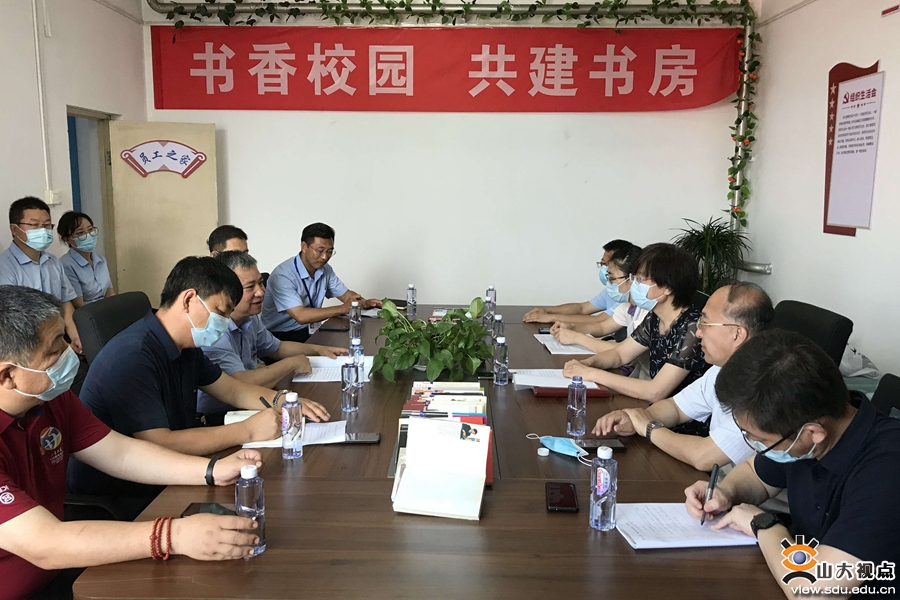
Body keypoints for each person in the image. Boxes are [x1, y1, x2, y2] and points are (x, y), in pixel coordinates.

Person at [0, 286, 267, 600]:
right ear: (7, 376)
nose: (70, 353)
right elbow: (45, 543)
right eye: (54, 351)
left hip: (64, 573)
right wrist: (174, 536)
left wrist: (211, 470)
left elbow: (119, 452)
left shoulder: (51, 399)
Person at [70, 257, 330, 511]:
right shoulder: (133, 355)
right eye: (221, 313)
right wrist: (248, 430)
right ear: (189, 300)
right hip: (125, 496)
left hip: (174, 470)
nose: (225, 324)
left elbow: (232, 389)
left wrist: (282, 400)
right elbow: (160, 443)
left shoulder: (186, 345)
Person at [684, 330, 900, 599]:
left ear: (813, 433)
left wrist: (765, 525)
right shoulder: (805, 425)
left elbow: (813, 591)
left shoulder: (887, 471)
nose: (754, 445)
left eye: (760, 440)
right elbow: (755, 474)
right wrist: (725, 492)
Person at [594, 283, 774, 471]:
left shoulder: (763, 386)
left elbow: (704, 456)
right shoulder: (721, 369)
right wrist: (636, 417)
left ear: (737, 334)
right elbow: (676, 408)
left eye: (705, 323)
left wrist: (648, 427)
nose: (698, 332)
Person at [198, 251, 347, 423]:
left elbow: (276, 348)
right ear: (227, 291)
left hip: (250, 404)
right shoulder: (214, 330)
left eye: (261, 283)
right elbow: (241, 384)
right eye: (250, 287)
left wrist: (319, 350)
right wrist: (291, 364)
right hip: (219, 416)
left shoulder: (250, 318)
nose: (261, 292)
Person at [563, 243, 708, 402]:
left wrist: (591, 373)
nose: (634, 284)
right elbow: (620, 354)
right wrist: (587, 363)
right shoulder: (655, 317)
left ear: (667, 287)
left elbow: (655, 391)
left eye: (640, 279)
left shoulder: (692, 327)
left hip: (678, 414)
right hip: (656, 407)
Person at [261, 222, 382, 343]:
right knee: (341, 348)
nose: (325, 257)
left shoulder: (325, 269)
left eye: (329, 251)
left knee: (353, 342)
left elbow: (346, 295)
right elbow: (301, 316)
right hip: (279, 336)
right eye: (320, 250)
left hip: (309, 330)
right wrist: (343, 308)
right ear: (304, 246)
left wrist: (364, 303)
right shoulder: (282, 275)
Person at [0, 197, 82, 354]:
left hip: (59, 339)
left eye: (46, 225)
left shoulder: (53, 262)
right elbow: (14, 325)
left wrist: (76, 337)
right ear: (14, 229)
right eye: (34, 225)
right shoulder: (5, 268)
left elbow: (65, 304)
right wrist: (60, 347)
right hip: (27, 348)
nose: (43, 231)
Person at [550, 244, 645, 355]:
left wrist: (576, 337)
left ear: (632, 278)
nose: (609, 282)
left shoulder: (647, 312)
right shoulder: (627, 307)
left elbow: (624, 350)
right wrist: (572, 327)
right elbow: (602, 327)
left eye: (612, 278)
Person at [523, 239, 633, 324]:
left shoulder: (625, 295)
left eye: (607, 264)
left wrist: (551, 317)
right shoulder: (612, 290)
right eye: (602, 264)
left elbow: (599, 321)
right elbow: (582, 308)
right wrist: (546, 311)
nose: (605, 269)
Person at [57, 211, 114, 308]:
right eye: (80, 233)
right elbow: (79, 305)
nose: (88, 235)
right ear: (67, 239)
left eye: (90, 230)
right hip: (89, 313)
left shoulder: (101, 260)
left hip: (107, 310)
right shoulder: (66, 264)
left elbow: (110, 293)